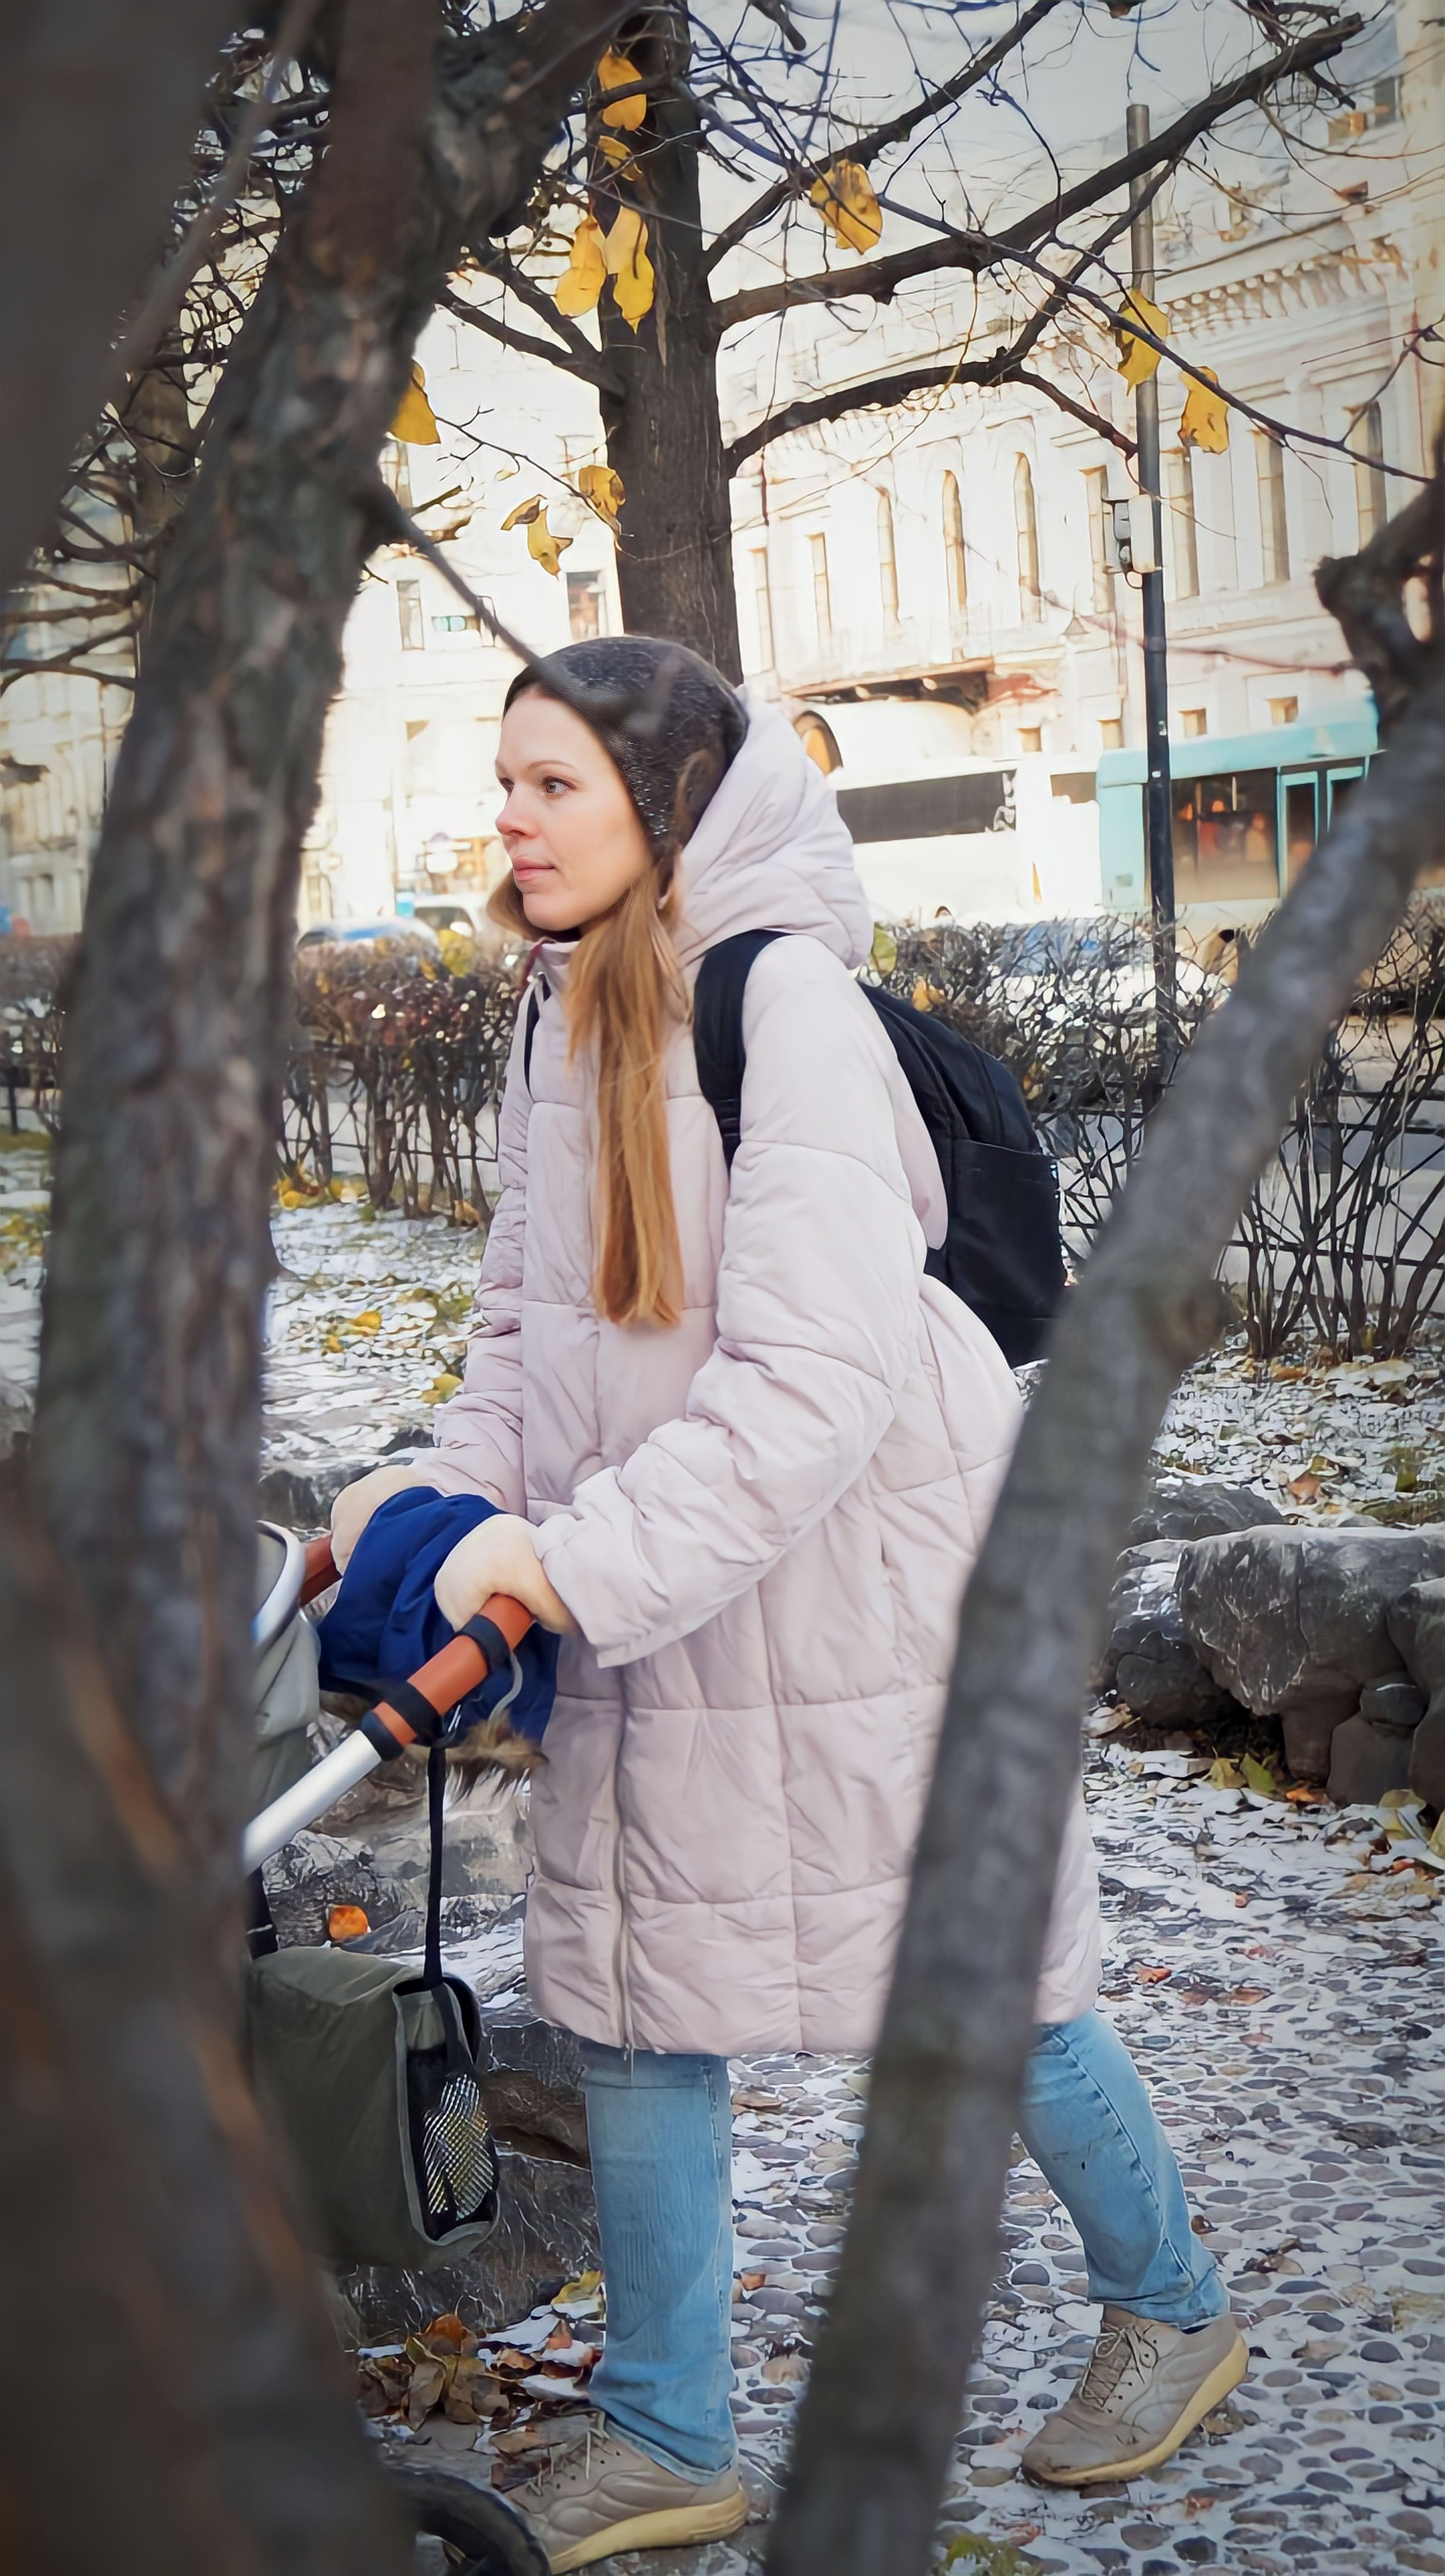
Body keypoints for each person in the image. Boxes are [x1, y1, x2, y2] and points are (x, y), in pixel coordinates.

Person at [332, 637, 1245, 2574]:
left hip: (856, 1593)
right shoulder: (557, 1009)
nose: (511, 818)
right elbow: (522, 1334)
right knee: (633, 1991)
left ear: (669, 808)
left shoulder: (783, 1006)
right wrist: (437, 1500)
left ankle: (1169, 2306)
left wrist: (570, 1562)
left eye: (556, 783)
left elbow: (815, 1381)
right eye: (506, 780)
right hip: (660, 1573)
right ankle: (669, 2433)